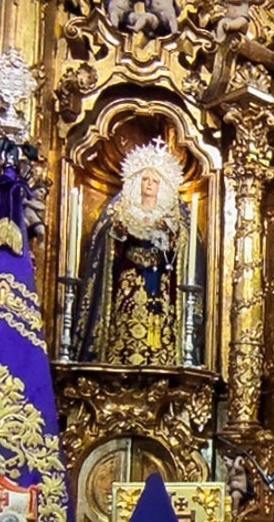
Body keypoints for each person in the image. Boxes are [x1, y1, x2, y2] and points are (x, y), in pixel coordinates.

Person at [73, 138, 190, 365]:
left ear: (162, 186)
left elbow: (181, 250)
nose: (149, 184)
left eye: (155, 181)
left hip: (158, 280)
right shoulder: (124, 212)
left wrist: (172, 235)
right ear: (136, 182)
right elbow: (107, 244)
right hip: (129, 277)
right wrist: (118, 233)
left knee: (157, 316)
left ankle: (159, 358)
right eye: (145, 179)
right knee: (125, 313)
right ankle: (119, 355)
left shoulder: (171, 217)